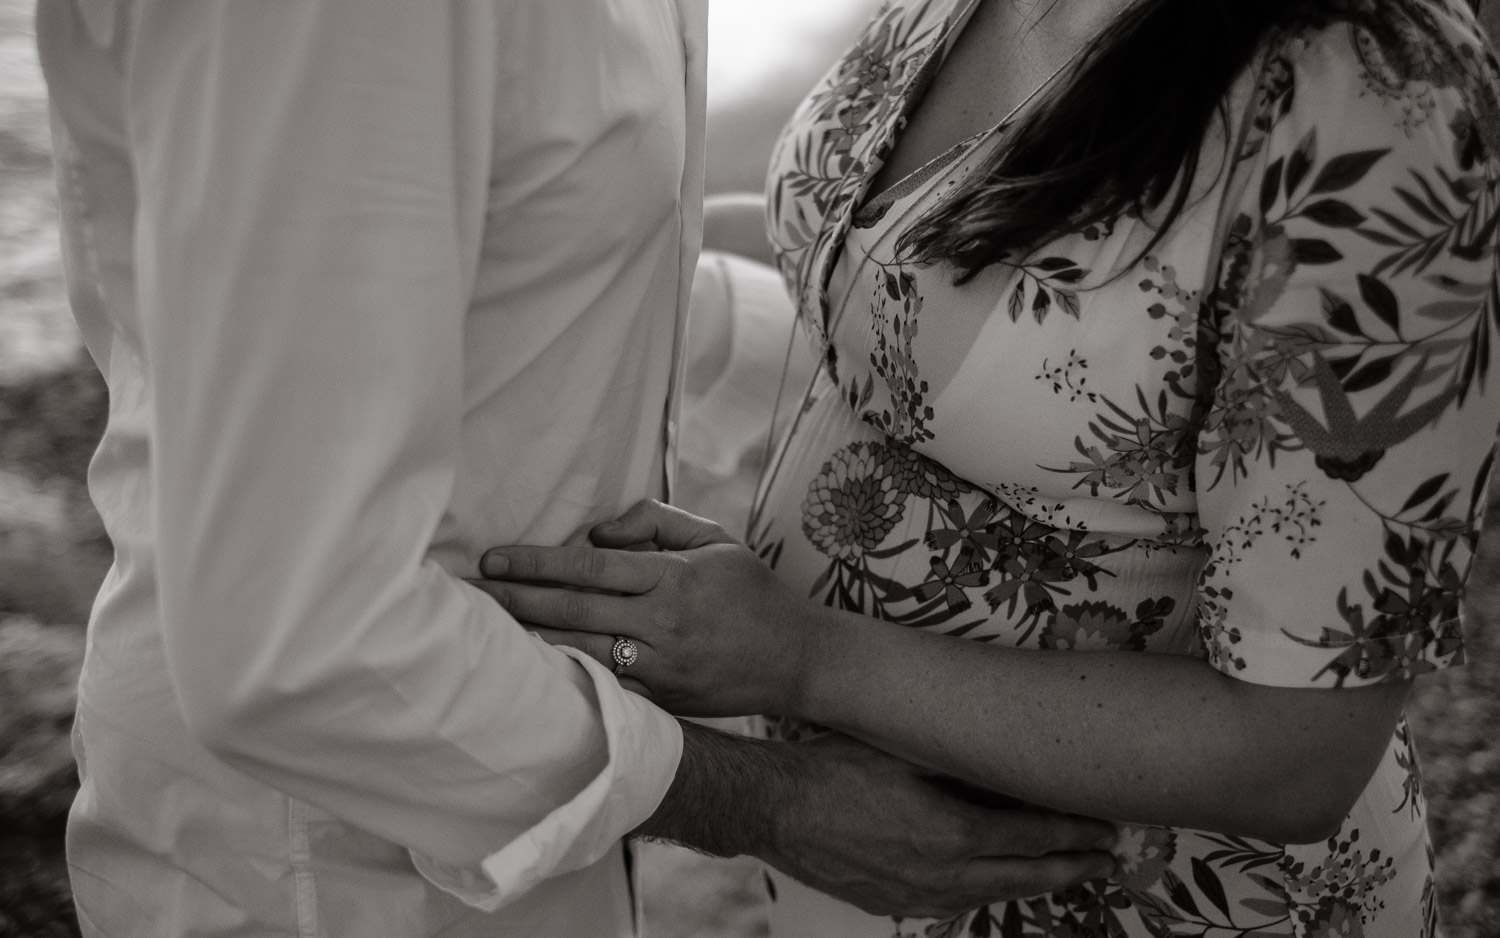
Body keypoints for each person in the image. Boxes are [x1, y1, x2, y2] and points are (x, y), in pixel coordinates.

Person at [34, 1, 1122, 935]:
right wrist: (772, 802)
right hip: (322, 858)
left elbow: (504, 258)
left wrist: (885, 352)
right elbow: (292, 634)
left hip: (520, 772)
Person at [472, 0, 1500, 934]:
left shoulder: (1377, 98)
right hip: (872, 863)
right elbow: (892, 280)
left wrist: (803, 657)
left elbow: (1298, 748)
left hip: (1150, 901)